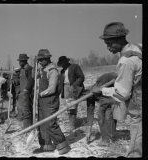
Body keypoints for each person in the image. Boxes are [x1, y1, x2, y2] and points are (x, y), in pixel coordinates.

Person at [91, 22, 142, 157]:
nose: (107, 47)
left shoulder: (126, 61)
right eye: (106, 44)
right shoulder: (138, 48)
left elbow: (123, 93)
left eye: (110, 43)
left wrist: (101, 91)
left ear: (120, 39)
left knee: (136, 144)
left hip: (139, 105)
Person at [33, 49, 70, 155]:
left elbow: (52, 89)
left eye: (41, 60)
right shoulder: (42, 69)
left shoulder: (53, 71)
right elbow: (34, 76)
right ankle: (46, 145)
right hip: (42, 100)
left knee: (50, 123)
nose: (40, 62)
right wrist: (34, 64)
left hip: (50, 100)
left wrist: (40, 94)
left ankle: (63, 145)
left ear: (47, 59)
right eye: (38, 60)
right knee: (42, 123)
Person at [84, 72, 120, 145]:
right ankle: (105, 139)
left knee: (109, 118)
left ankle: (111, 139)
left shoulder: (101, 82)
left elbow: (114, 76)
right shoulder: (89, 97)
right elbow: (90, 113)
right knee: (101, 119)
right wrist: (88, 131)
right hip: (104, 103)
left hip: (111, 99)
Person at [57, 56, 85, 132]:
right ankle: (71, 122)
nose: (63, 66)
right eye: (62, 64)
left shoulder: (74, 67)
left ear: (67, 62)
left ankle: (72, 125)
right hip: (65, 88)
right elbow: (61, 82)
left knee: (72, 106)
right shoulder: (62, 71)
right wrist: (59, 91)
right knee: (68, 107)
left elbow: (81, 77)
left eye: (64, 64)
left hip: (74, 88)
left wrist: (74, 85)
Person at [16, 53, 34, 130]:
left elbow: (31, 79)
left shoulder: (28, 68)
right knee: (22, 108)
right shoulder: (22, 69)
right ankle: (26, 126)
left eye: (21, 61)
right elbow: (21, 81)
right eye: (19, 61)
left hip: (26, 92)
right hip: (22, 92)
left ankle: (27, 127)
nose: (19, 63)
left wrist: (26, 89)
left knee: (26, 109)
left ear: (24, 61)